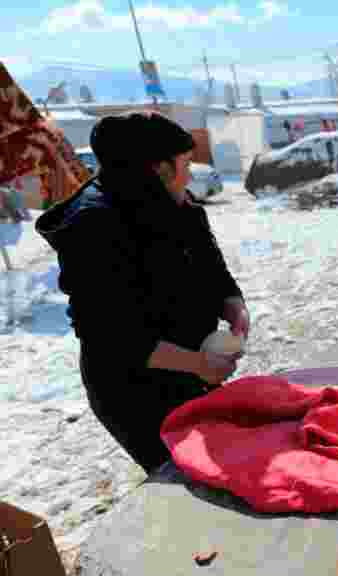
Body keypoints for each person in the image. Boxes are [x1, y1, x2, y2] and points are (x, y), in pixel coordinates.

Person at [36, 112, 250, 474]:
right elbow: (113, 336)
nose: (190, 174)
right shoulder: (93, 227)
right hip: (135, 393)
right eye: (185, 164)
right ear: (158, 169)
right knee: (185, 478)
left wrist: (235, 309)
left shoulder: (182, 209)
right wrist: (199, 364)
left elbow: (216, 275)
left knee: (225, 461)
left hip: (193, 372)